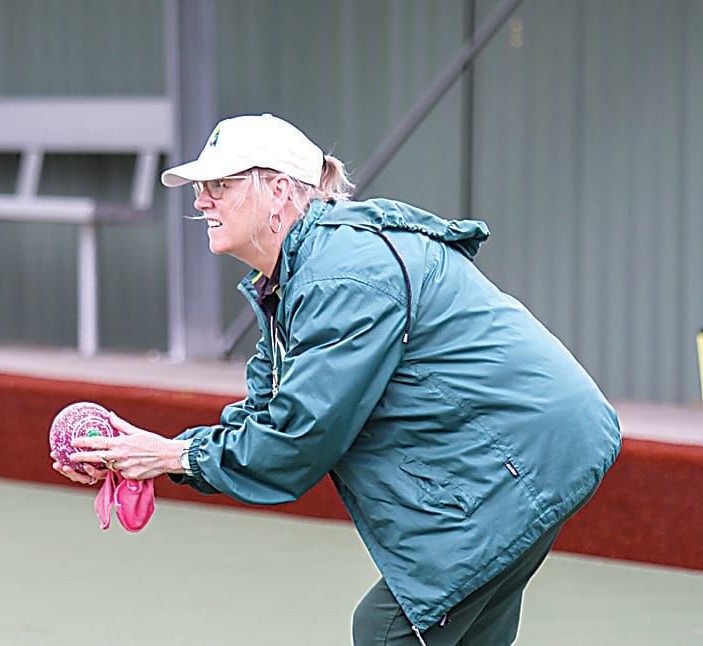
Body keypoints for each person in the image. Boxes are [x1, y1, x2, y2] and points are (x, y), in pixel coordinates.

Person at [52, 113, 621, 645]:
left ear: (279, 191)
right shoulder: (297, 280)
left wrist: (172, 458)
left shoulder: (339, 278)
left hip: (522, 463)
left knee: (383, 631)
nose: (200, 200)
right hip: (531, 457)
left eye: (220, 184)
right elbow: (268, 415)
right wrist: (148, 452)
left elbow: (295, 443)